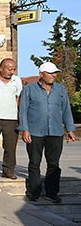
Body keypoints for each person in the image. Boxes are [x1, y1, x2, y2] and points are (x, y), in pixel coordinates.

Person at [19, 62, 77, 203]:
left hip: (56, 132)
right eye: (50, 73)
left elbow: (66, 110)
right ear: (41, 74)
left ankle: (52, 192)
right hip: (35, 131)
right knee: (34, 162)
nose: (53, 75)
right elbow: (23, 111)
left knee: (54, 164)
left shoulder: (61, 90)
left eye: (55, 73)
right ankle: (34, 192)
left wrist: (70, 129)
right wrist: (25, 129)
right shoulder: (29, 89)